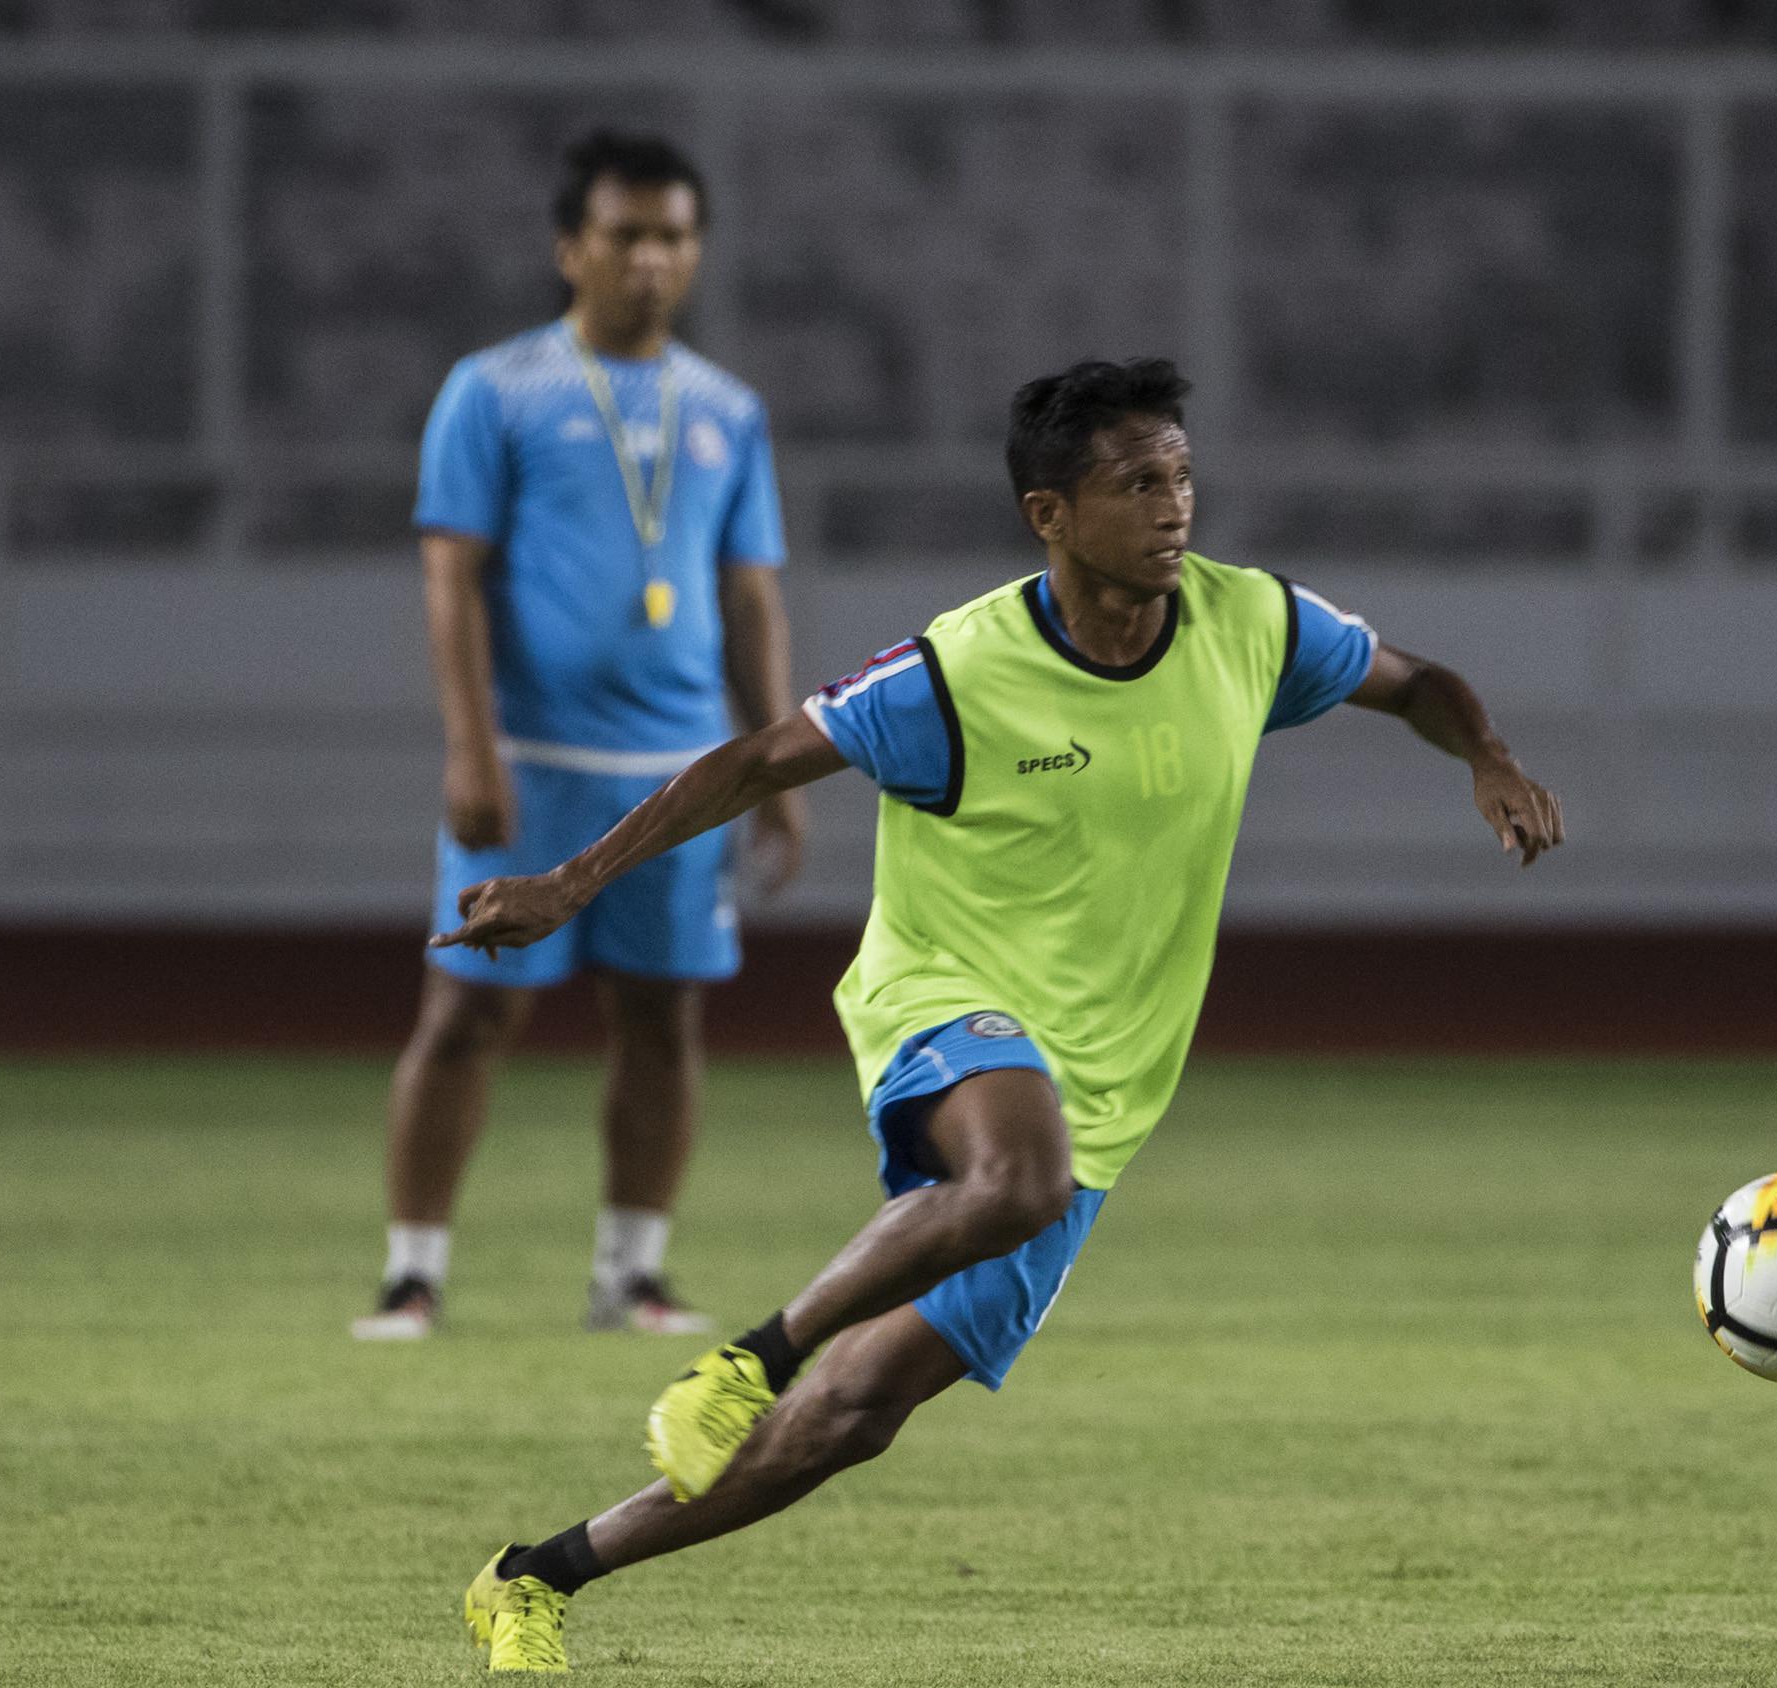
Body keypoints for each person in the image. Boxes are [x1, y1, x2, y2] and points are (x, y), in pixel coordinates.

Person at [433, 357, 1563, 1669]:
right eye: (1136, 483)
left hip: (1108, 1084)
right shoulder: (957, 672)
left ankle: (534, 1577)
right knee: (1017, 1174)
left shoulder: (1252, 623)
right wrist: (570, 882)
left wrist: (1488, 754)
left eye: (1182, 475)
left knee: (854, 1416)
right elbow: (754, 760)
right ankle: (748, 1360)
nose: (1174, 506)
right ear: (1050, 515)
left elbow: (1416, 680)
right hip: (942, 994)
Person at [354, 129, 806, 1342]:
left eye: (674, 236)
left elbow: (751, 595)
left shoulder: (729, 410)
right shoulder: (494, 389)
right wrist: (472, 746)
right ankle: (411, 1273)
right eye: (626, 235)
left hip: (682, 770)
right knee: (469, 1012)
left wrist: (779, 768)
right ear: (571, 248)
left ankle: (632, 1275)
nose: (651, 259)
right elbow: (451, 575)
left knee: (663, 1017)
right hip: (535, 762)